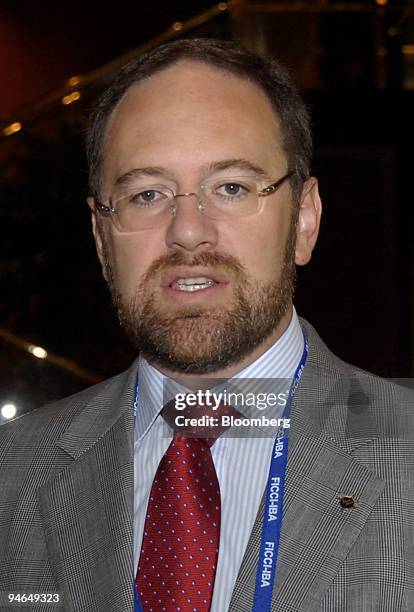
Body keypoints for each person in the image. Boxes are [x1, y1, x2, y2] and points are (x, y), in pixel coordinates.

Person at [0, 38, 413, 612]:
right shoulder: (11, 475)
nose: (188, 231)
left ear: (305, 219)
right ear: (101, 239)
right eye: (147, 193)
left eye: (232, 188)